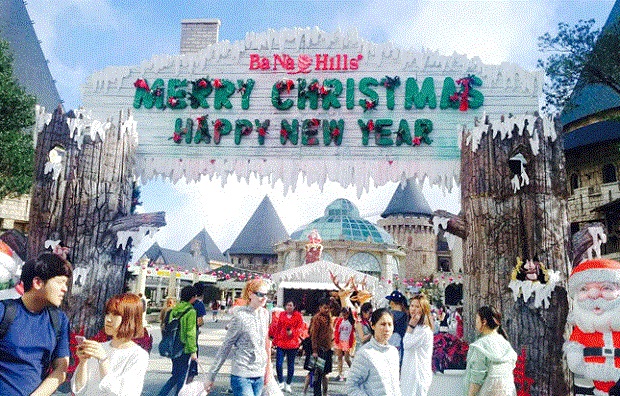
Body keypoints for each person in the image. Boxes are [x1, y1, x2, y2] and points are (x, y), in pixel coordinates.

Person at [0, 252, 72, 396]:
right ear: (37, 283)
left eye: (66, 283)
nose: (65, 289)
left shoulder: (59, 320)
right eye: (60, 282)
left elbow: (61, 369)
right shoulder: (4, 312)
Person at [71, 293, 149, 395]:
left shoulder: (138, 355)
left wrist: (103, 360)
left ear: (130, 318)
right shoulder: (100, 347)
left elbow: (123, 392)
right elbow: (79, 389)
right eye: (107, 313)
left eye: (116, 315)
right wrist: (83, 362)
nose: (108, 319)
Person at [205, 279, 271, 396]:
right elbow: (226, 346)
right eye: (260, 294)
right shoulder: (240, 316)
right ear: (250, 294)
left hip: (259, 373)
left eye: (266, 295)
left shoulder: (265, 314)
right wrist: (211, 375)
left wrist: (268, 370)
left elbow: (265, 344)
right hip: (242, 373)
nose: (264, 298)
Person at [564, 258, 620, 395]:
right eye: (584, 289)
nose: (594, 295)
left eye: (606, 288)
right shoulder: (582, 329)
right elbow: (575, 350)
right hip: (592, 380)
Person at [345, 308, 401, 396]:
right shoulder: (365, 354)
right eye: (383, 324)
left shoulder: (393, 352)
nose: (387, 329)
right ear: (373, 325)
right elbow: (351, 386)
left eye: (390, 324)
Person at [463, 306, 517, 396]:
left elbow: (477, 378)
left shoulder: (479, 347)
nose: (475, 323)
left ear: (484, 322)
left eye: (477, 319)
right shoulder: (506, 344)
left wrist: (470, 394)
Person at [158, 285, 198, 396]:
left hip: (172, 347)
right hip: (183, 348)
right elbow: (190, 332)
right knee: (182, 376)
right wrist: (193, 351)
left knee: (176, 375)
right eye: (195, 296)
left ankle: (162, 394)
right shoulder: (191, 311)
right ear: (192, 297)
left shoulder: (173, 309)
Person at [400, 294, 434, 396]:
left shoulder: (423, 330)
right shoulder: (417, 328)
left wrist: (410, 326)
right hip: (410, 372)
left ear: (423, 310)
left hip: (417, 374)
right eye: (412, 306)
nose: (413, 309)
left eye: (417, 306)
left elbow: (406, 344)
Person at [270, 300, 303, 393]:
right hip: (281, 343)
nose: (289, 307)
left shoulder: (298, 316)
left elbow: (300, 328)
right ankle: (280, 382)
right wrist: (275, 341)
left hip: (292, 343)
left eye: (291, 305)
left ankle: (288, 384)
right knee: (279, 364)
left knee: (290, 365)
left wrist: (292, 332)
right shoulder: (282, 315)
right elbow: (278, 328)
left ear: (294, 307)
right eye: (287, 305)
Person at [309, 297, 333, 396]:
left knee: (325, 373)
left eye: (328, 308)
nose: (326, 310)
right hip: (319, 350)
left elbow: (338, 308)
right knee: (317, 374)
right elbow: (313, 335)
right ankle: (317, 394)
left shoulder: (329, 317)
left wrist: (333, 300)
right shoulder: (317, 318)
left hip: (327, 349)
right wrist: (314, 350)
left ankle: (324, 393)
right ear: (320, 308)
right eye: (324, 308)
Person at [187, 282, 207, 383]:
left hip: (180, 337)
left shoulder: (184, 303)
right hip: (192, 337)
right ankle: (187, 388)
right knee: (192, 365)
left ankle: (180, 386)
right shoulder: (199, 304)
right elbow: (200, 321)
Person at [385, 290, 409, 362]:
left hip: (390, 344)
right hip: (403, 346)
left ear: (392, 303)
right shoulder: (407, 315)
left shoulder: (389, 315)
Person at [333, 307, 355, 381]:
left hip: (347, 341)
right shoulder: (340, 321)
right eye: (343, 315)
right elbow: (336, 330)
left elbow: (353, 333)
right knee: (339, 358)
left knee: (346, 358)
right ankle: (340, 374)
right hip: (340, 340)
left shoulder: (351, 322)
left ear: (348, 314)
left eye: (345, 315)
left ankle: (354, 372)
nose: (344, 316)